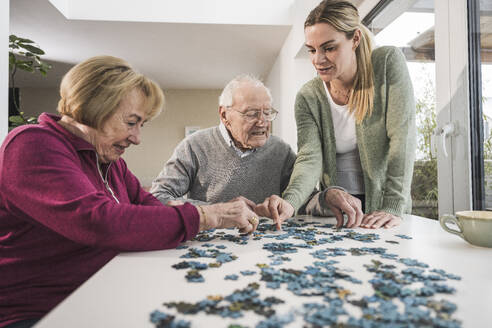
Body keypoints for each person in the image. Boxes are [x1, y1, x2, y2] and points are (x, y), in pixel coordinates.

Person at [0, 56, 259, 328]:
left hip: (105, 293)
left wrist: (218, 212)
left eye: (141, 125)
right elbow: (99, 222)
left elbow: (153, 211)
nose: (137, 138)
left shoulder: (112, 163)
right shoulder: (30, 144)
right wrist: (208, 216)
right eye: (131, 122)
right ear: (93, 109)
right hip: (38, 313)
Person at [257, 0, 416, 230]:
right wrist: (290, 202)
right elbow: (309, 158)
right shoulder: (308, 96)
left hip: (385, 209)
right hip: (337, 213)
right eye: (311, 50)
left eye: (329, 48)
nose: (318, 60)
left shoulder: (387, 64)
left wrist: (392, 205)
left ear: (356, 39)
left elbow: (403, 139)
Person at [150, 74, 296, 210]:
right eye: (251, 113)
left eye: (267, 112)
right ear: (224, 115)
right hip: (211, 236)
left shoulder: (281, 151)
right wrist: (220, 210)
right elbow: (158, 197)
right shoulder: (193, 146)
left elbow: (304, 198)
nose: (262, 122)